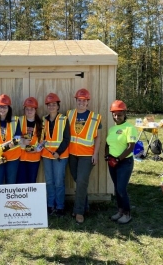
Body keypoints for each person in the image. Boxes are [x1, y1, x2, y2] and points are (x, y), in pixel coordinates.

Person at [67, 88, 102, 224]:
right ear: (76, 101)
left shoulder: (95, 117)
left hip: (87, 156)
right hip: (71, 154)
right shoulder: (69, 114)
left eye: (84, 101)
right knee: (80, 182)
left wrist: (95, 154)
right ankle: (85, 206)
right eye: (79, 100)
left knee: (81, 182)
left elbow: (98, 138)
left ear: (87, 102)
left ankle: (79, 211)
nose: (81, 103)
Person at [105, 100, 137, 224]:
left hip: (124, 162)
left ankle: (127, 214)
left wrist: (118, 159)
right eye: (115, 114)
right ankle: (120, 211)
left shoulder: (129, 128)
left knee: (121, 188)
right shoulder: (112, 129)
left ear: (124, 114)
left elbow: (130, 147)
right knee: (117, 188)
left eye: (119, 114)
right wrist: (107, 156)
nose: (117, 117)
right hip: (112, 162)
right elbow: (107, 144)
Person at [41, 93, 70, 217]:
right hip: (47, 155)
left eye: (54, 104)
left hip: (60, 156)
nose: (52, 106)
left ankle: (60, 207)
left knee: (59, 182)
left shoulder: (64, 119)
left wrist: (59, 152)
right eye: (49, 104)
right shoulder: (44, 119)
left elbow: (67, 138)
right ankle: (50, 205)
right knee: (49, 181)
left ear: (58, 106)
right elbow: (42, 138)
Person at [17, 97, 44, 184]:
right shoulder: (19, 121)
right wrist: (22, 142)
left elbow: (43, 141)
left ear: (35, 110)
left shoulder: (41, 123)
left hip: (34, 159)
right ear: (24, 109)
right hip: (21, 158)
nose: (29, 111)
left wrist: (36, 149)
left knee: (31, 184)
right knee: (20, 184)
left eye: (32, 109)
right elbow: (14, 138)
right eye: (27, 109)